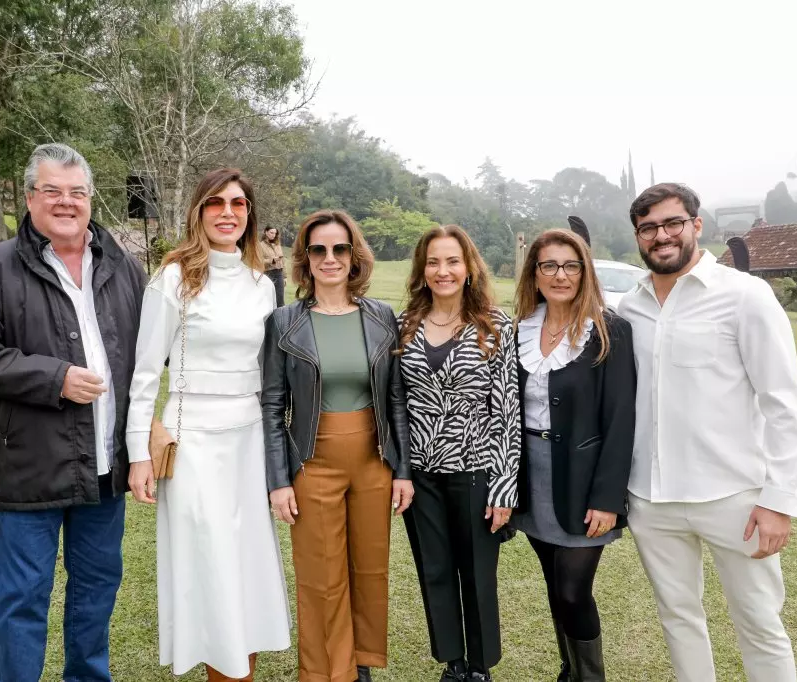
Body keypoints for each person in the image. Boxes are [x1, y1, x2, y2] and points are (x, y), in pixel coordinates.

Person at [0, 143, 146, 681]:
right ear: (30, 198)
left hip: (105, 467)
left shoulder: (122, 266)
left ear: (89, 198)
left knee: (97, 591)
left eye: (76, 192)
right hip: (32, 464)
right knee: (24, 600)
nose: (66, 202)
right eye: (52, 191)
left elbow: (147, 354)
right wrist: (55, 378)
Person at [617, 183, 797, 682]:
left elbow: (784, 405)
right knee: (679, 621)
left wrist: (780, 500)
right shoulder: (628, 307)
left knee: (760, 624)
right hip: (651, 498)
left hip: (736, 497)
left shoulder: (745, 295)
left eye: (671, 223)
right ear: (637, 236)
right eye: (648, 228)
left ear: (695, 225)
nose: (661, 236)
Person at [125, 168, 291, 681]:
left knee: (247, 570)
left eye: (238, 204)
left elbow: (270, 375)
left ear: (250, 215)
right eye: (216, 203)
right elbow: (147, 371)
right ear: (198, 212)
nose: (227, 213)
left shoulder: (263, 284)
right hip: (192, 442)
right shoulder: (172, 278)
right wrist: (137, 452)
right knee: (213, 571)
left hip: (249, 443)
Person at [261, 209, 413, 682]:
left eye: (339, 248)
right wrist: (279, 481)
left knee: (369, 570)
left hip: (373, 461)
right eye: (319, 249)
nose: (330, 258)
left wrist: (402, 469)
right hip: (312, 462)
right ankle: (327, 671)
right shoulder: (284, 322)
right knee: (320, 575)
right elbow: (271, 404)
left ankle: (361, 664)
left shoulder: (382, 316)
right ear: (305, 258)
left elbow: (395, 399)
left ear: (354, 255)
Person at [396, 225, 520, 682]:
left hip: (476, 470)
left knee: (477, 574)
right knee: (435, 570)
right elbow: (397, 403)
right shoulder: (403, 325)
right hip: (420, 474)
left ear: (468, 268)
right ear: (422, 270)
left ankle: (480, 666)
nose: (442, 271)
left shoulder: (494, 326)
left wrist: (505, 485)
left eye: (452, 261)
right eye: (433, 262)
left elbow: (508, 410)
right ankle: (451, 661)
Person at [511, 229, 636, 682]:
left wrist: (607, 497)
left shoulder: (608, 330)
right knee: (553, 585)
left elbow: (621, 419)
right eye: (549, 265)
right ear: (535, 273)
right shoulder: (521, 327)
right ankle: (569, 671)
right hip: (533, 475)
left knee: (572, 589)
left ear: (585, 271)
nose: (560, 275)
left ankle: (590, 678)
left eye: (570, 265)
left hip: (584, 480)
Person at [259, 225, 286, 306]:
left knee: (280, 299)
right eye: (271, 232)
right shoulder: (260, 245)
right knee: (268, 299)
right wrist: (272, 260)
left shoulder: (277, 244)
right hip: (268, 274)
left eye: (275, 233)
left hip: (279, 273)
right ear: (266, 232)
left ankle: (281, 317)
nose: (273, 235)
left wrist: (285, 276)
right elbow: (259, 261)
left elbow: (282, 261)